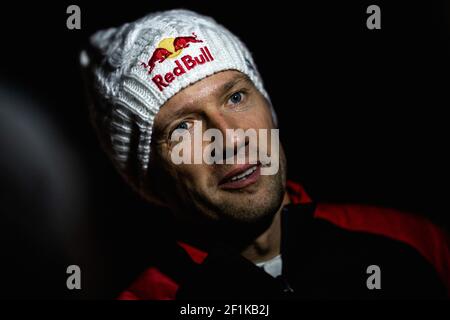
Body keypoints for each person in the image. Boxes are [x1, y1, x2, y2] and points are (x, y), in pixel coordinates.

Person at [81, 9, 449, 299]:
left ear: (269, 108)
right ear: (148, 180)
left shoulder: (416, 244)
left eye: (236, 97)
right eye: (182, 127)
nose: (229, 138)